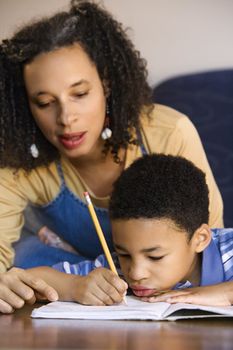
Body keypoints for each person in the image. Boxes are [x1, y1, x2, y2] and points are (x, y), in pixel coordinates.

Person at [0, 0, 223, 273]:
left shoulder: (168, 133)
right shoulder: (18, 156)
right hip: (68, 273)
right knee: (22, 258)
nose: (66, 118)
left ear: (106, 84)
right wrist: (73, 285)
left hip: (162, 283)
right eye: (45, 102)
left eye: (80, 94)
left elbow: (211, 245)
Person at [0, 154, 232, 314]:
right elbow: (39, 279)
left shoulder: (228, 248)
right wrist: (75, 286)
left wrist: (226, 293)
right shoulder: (116, 271)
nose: (136, 273)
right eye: (124, 254)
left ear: (200, 239)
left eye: (155, 257)